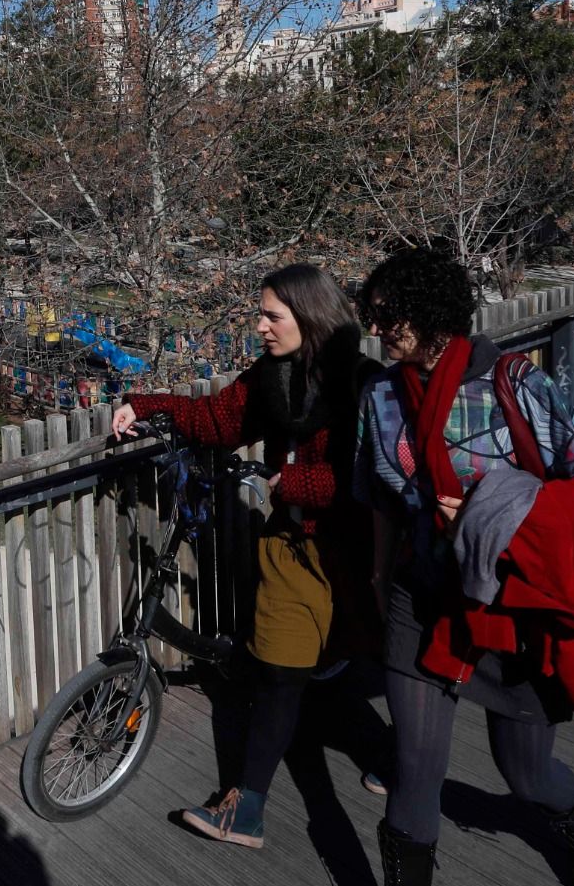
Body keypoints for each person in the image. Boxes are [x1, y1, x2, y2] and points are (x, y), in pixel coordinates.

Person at [355, 248, 574, 886]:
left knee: (527, 775)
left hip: (510, 607)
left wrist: (496, 513)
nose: (375, 332)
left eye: (384, 318)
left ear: (427, 314)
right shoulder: (380, 397)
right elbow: (380, 500)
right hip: (420, 598)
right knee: (415, 764)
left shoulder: (514, 383)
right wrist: (375, 576)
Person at [110, 264, 380, 853]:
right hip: (288, 545)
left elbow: (371, 477)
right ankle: (246, 807)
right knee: (281, 673)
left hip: (351, 553)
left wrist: (292, 483)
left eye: (271, 316)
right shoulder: (271, 378)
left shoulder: (365, 385)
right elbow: (218, 420)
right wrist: (143, 404)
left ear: (309, 319)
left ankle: (397, 757)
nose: (259, 326)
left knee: (355, 668)